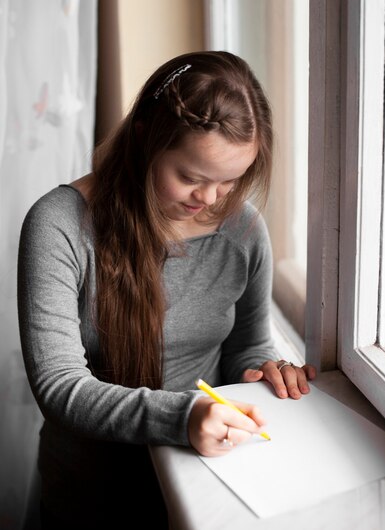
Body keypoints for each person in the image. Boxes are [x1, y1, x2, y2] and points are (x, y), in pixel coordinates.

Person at [17, 50, 316, 529]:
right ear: (145, 139)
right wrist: (183, 417)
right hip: (92, 496)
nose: (210, 199)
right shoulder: (58, 225)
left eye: (230, 181)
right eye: (191, 178)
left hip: (206, 483)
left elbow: (247, 344)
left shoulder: (243, 230)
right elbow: (60, 387)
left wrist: (265, 370)